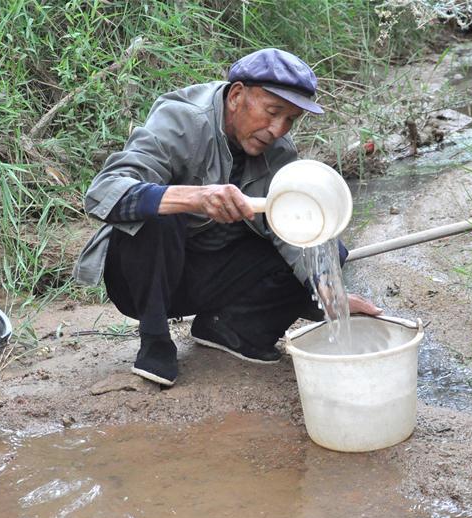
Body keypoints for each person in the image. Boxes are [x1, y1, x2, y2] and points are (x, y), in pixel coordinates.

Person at [74, 48, 380, 386]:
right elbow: (103, 192)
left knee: (325, 247)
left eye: (291, 119)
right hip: (142, 279)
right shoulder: (181, 119)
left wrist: (329, 295)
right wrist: (194, 197)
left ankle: (230, 329)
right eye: (273, 111)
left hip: (208, 270)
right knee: (162, 213)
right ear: (236, 95)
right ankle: (155, 339)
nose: (278, 129)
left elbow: (291, 229)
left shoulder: (279, 150)